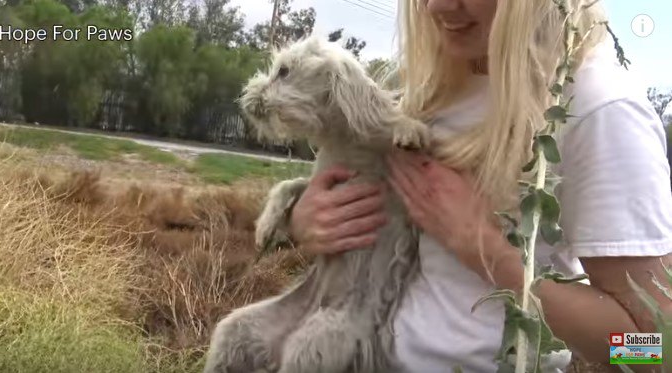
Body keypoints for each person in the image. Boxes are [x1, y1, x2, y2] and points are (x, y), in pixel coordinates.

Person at [278, 0, 672, 372]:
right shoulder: (439, 80)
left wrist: (485, 250)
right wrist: (304, 218)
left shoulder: (599, 111)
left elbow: (656, 349)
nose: (437, 6)